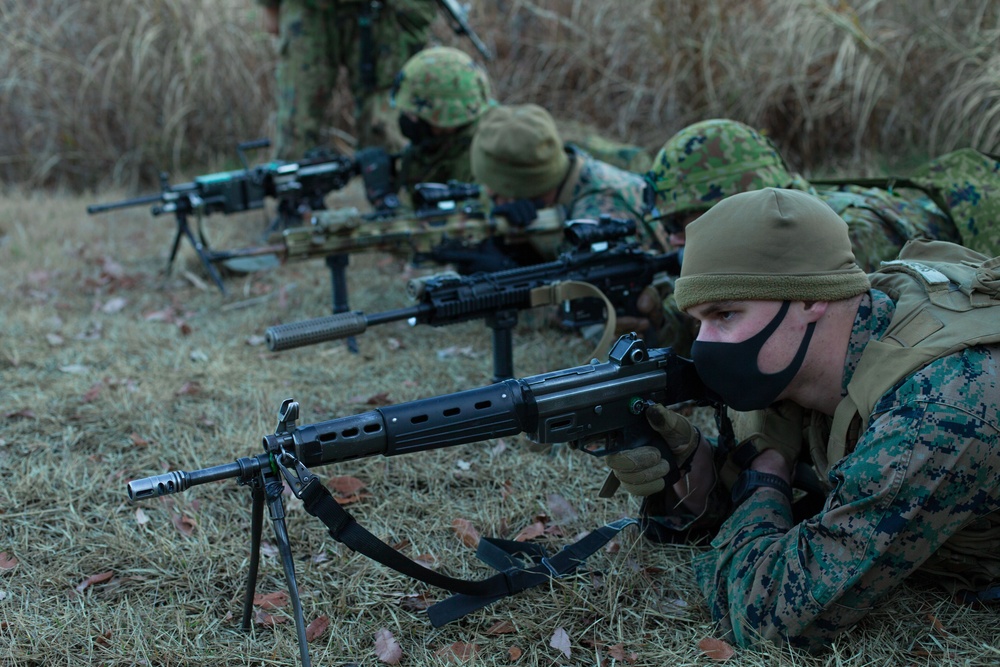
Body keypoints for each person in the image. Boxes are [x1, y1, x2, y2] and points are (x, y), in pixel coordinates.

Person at [607, 187, 1000, 650]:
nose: (705, 344)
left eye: (725, 314)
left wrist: (766, 469)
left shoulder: (934, 409)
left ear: (811, 299)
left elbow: (771, 617)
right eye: (697, 323)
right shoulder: (827, 342)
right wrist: (698, 479)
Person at [642, 118, 965, 355]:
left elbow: (786, 334)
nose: (673, 239)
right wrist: (657, 316)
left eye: (678, 222)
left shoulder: (844, 234)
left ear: (733, 204)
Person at [469, 103, 661, 251]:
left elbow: (594, 297)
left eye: (494, 189)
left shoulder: (597, 214)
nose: (488, 191)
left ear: (522, 188)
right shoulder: (574, 170)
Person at [259, 0, 437, 159]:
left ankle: (388, 187)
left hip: (378, 13)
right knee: (298, 116)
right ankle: (292, 188)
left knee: (383, 116)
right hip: (309, 10)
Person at [391, 46, 496, 190]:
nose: (407, 119)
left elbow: (463, 211)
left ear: (446, 118)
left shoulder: (484, 157)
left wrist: (388, 204)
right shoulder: (441, 143)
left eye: (414, 114)